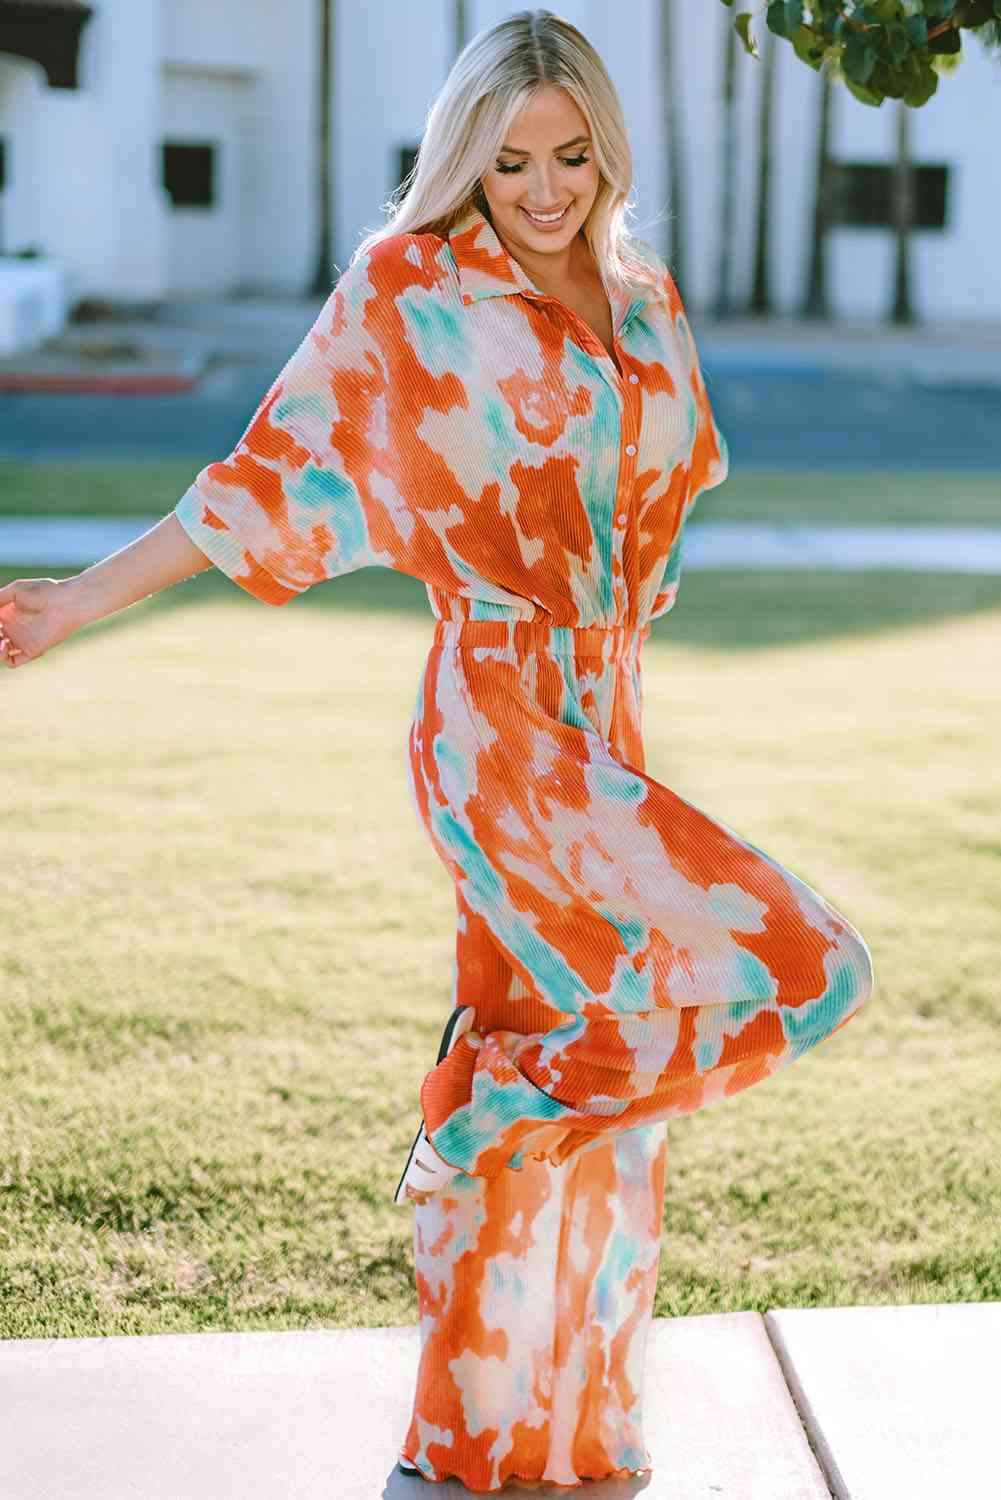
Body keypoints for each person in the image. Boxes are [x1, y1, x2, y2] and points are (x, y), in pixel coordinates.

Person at [0, 8, 876, 1491]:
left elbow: (662, 500)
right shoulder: (412, 291)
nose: (543, 190)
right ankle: (475, 1124)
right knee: (809, 967)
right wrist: (80, 598)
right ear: (464, 161)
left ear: (608, 152)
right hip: (496, 720)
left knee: (597, 1095)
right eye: (509, 161)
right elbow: (265, 479)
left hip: (609, 711)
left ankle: (538, 1435)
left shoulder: (645, 299)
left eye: (572, 156)